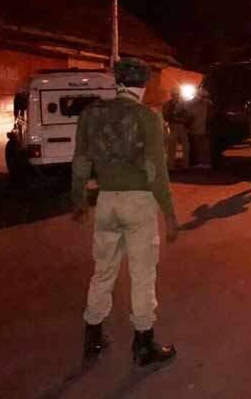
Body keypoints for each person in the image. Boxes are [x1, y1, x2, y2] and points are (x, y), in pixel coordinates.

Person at [72, 57, 179, 367]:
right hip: (139, 203)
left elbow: (81, 162)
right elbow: (156, 171)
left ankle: (93, 336)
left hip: (106, 201)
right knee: (142, 274)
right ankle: (143, 344)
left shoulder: (91, 114)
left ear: (117, 81)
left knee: (103, 270)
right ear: (143, 84)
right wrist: (169, 214)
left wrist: (79, 200)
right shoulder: (147, 117)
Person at [162, 86, 190, 170]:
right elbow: (166, 116)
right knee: (172, 146)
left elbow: (187, 115)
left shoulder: (183, 104)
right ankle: (171, 165)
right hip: (173, 126)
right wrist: (175, 117)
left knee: (185, 146)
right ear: (172, 95)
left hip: (181, 126)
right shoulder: (168, 104)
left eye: (177, 94)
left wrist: (181, 119)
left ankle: (185, 164)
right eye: (175, 95)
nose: (176, 96)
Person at [186, 87, 213, 167]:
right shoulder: (190, 104)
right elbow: (187, 116)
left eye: (204, 97)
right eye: (202, 97)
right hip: (194, 129)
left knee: (202, 147)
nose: (203, 99)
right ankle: (195, 163)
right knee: (195, 147)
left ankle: (202, 162)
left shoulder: (206, 103)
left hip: (202, 129)